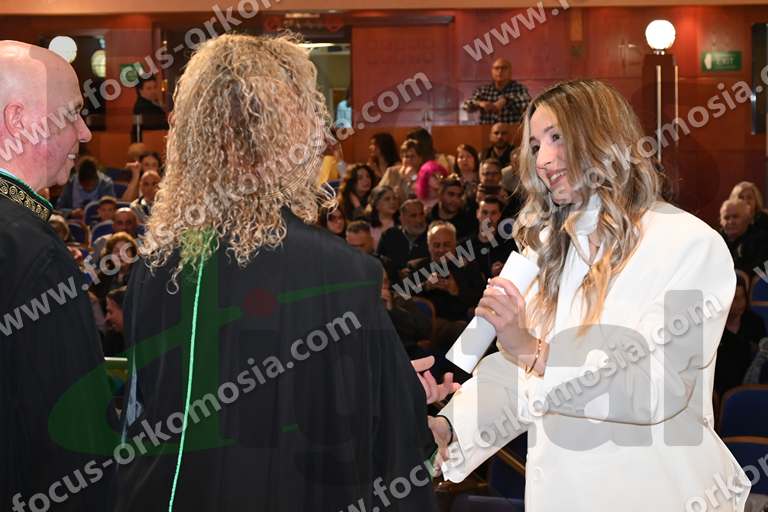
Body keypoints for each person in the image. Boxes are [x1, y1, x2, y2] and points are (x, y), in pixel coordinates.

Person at [115, 34, 446, 512]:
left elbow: (145, 409)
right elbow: (386, 438)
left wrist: (381, 374)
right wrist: (397, 392)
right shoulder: (344, 272)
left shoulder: (156, 263)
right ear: (294, 136)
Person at [430, 79, 750, 511]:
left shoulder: (688, 243)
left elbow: (660, 387)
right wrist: (451, 427)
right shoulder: (548, 247)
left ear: (602, 137)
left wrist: (533, 350)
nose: (542, 160)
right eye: (535, 146)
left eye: (556, 138)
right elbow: (516, 376)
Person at [0, 40, 113, 511]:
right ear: (17, 121)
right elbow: (75, 438)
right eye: (71, 115)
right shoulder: (33, 253)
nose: (84, 133)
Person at [406, 221, 484, 323]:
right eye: (436, 245)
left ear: (455, 244)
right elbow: (402, 296)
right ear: (428, 246)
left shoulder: (468, 266)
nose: (441, 250)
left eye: (446, 245)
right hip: (426, 325)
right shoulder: (417, 267)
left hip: (460, 322)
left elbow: (480, 297)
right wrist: (426, 286)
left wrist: (456, 290)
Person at [714, 273, 765, 396]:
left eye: (743, 297)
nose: (741, 303)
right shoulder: (712, 326)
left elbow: (760, 362)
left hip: (750, 387)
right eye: (735, 299)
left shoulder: (755, 323)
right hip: (719, 388)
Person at [462, 58, 531, 124]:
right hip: (486, 130)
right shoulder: (483, 90)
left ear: (510, 72)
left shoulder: (519, 88)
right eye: (496, 68)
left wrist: (506, 100)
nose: (500, 71)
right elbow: (465, 105)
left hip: (511, 130)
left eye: (504, 68)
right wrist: (479, 103)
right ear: (492, 71)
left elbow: (528, 104)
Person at [470, 196, 517, 280]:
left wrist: (504, 270)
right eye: (484, 212)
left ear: (499, 215)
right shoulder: (466, 246)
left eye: (493, 213)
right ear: (477, 213)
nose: (488, 218)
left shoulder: (509, 245)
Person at [377, 199, 429, 273]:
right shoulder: (389, 236)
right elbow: (379, 262)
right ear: (402, 219)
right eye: (413, 216)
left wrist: (421, 263)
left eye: (421, 214)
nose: (419, 220)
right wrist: (397, 272)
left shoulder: (434, 235)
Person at [719, 198, 768, 276]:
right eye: (726, 218)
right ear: (721, 222)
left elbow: (759, 270)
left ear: (747, 218)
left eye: (735, 216)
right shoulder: (715, 241)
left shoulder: (761, 240)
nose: (731, 222)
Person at [425, 176, 478, 242]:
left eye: (459, 196)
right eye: (451, 194)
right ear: (440, 194)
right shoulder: (427, 220)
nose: (455, 200)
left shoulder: (468, 222)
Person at [380, 138, 423, 203]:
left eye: (412, 156)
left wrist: (414, 177)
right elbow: (378, 195)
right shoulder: (392, 172)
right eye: (406, 156)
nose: (409, 160)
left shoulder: (425, 175)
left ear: (420, 159)